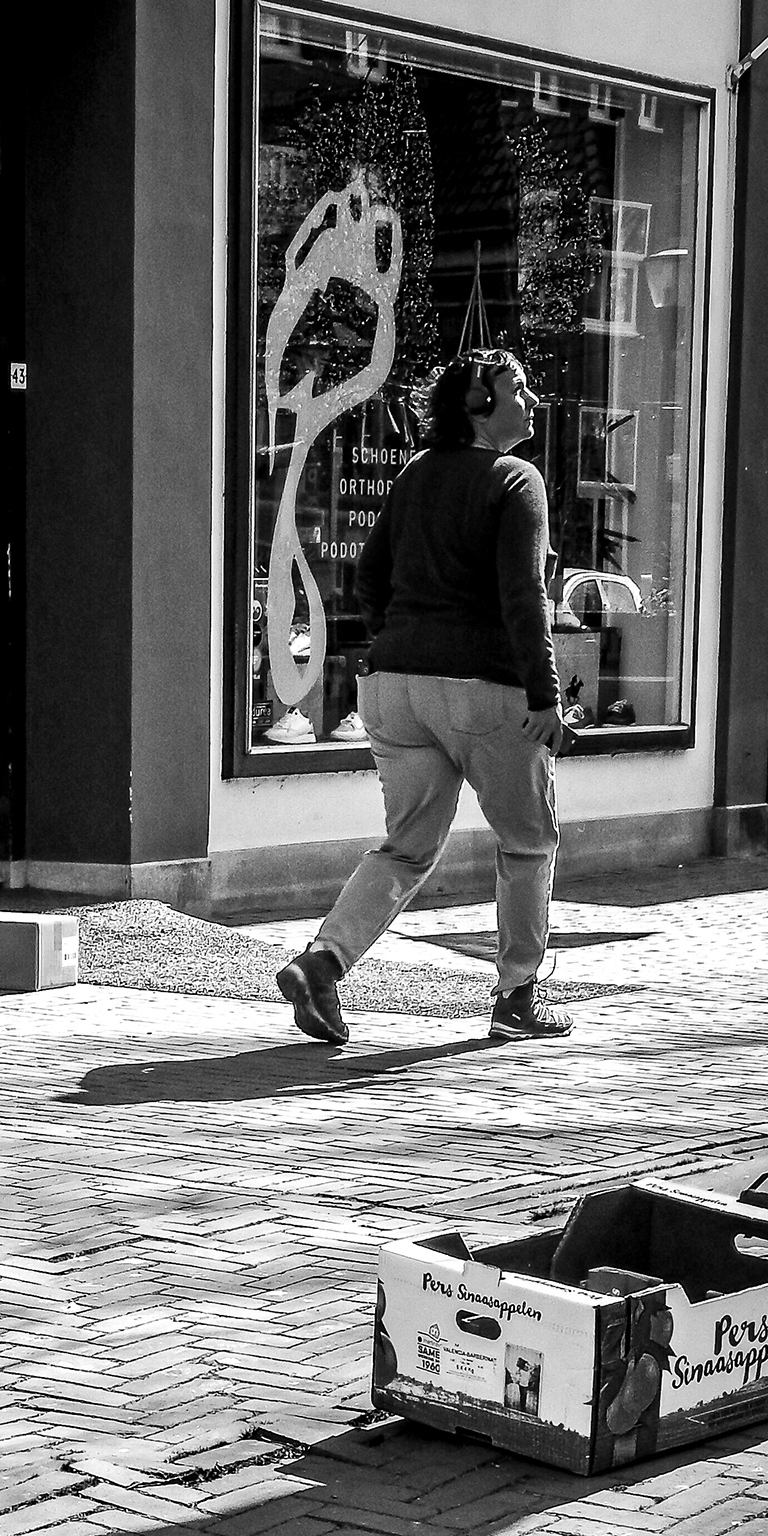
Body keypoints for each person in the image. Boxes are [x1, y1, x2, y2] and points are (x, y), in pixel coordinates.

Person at [277, 349, 572, 1047]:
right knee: (528, 843)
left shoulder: (415, 473)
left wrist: (400, 640)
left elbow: (368, 576)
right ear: (478, 405)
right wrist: (546, 696)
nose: (532, 400)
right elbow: (524, 596)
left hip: (394, 689)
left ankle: (322, 963)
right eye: (518, 388)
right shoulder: (516, 479)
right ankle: (517, 998)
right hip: (486, 693)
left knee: (407, 847)